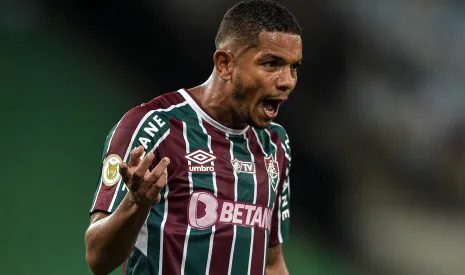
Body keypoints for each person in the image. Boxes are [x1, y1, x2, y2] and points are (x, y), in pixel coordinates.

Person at [84, 0, 302, 274]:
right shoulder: (154, 126)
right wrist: (135, 203)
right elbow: (97, 258)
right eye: (271, 64)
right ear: (224, 64)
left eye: (294, 67)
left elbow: (271, 264)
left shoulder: (276, 144)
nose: (287, 81)